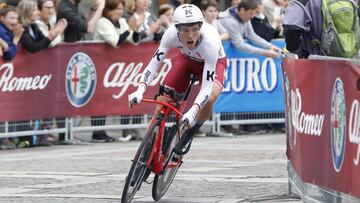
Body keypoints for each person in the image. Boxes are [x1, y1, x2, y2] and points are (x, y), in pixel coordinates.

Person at [128, 4, 227, 155]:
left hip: (212, 62)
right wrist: (140, 89)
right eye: (185, 30)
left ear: (201, 26)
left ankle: (190, 132)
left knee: (210, 98)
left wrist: (193, 112)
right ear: (177, 29)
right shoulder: (170, 34)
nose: (191, 35)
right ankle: (150, 143)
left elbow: (206, 88)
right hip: (186, 60)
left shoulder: (210, 43)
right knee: (163, 101)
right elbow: (154, 64)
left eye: (195, 29)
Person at [93, 0, 141, 142]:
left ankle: (101, 131)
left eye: (122, 9)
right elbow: (116, 42)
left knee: (107, 98)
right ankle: (97, 131)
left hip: (113, 66)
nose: (121, 12)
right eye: (118, 9)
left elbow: (134, 40)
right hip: (100, 64)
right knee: (99, 99)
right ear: (109, 11)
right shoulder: (103, 22)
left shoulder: (121, 21)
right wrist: (129, 29)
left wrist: (136, 29)